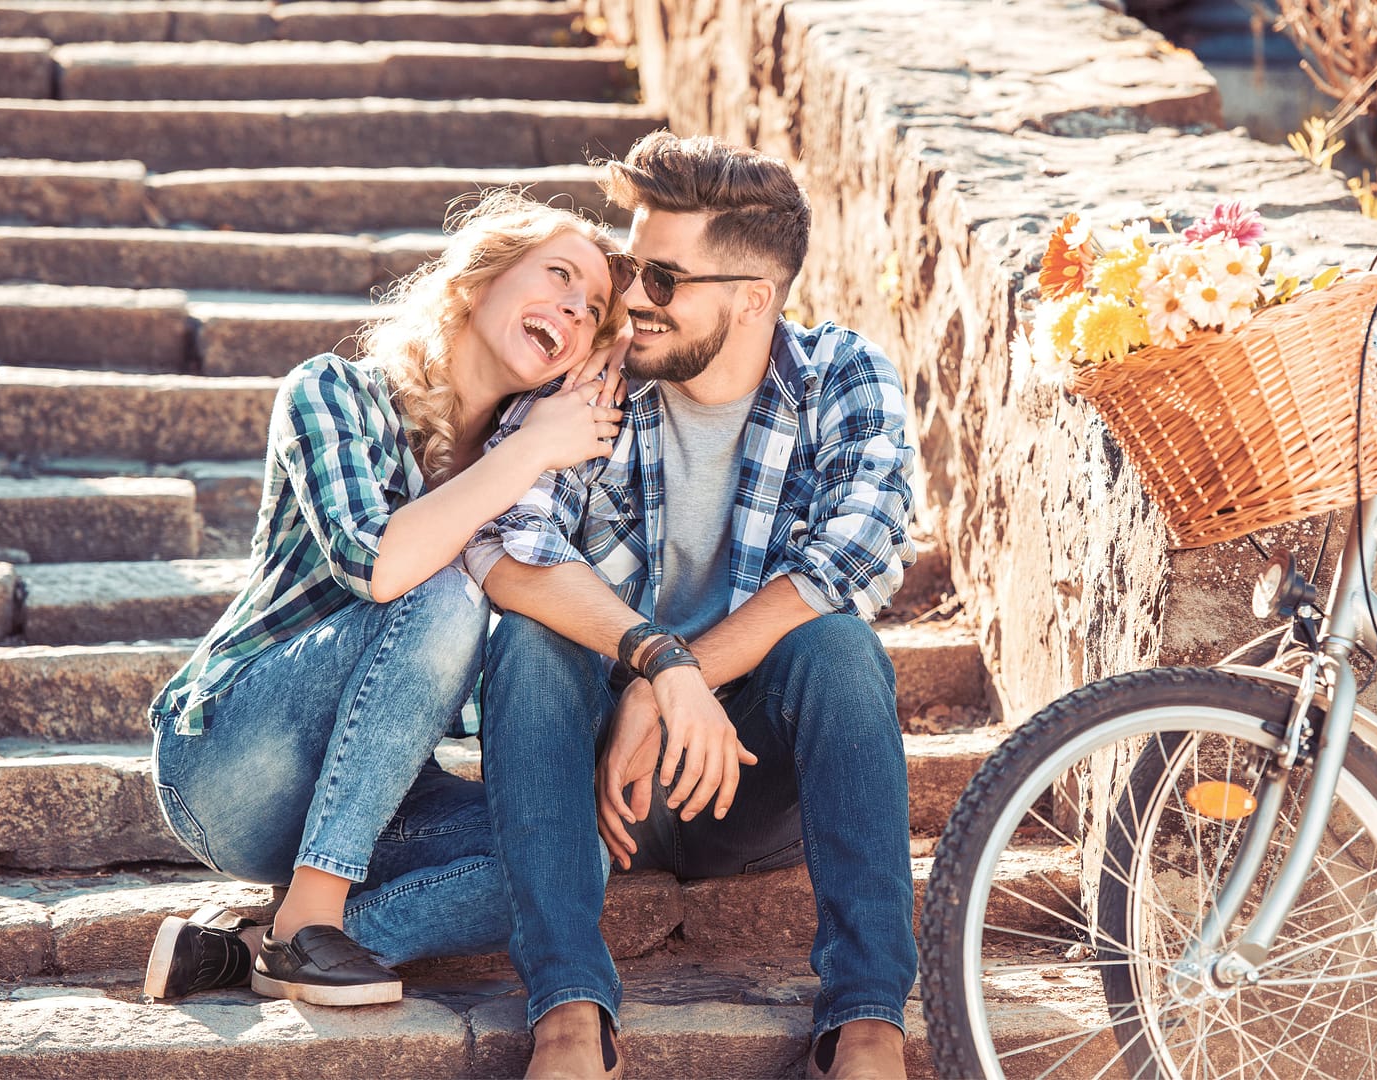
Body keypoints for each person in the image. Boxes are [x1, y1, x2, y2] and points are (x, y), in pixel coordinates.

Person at [467, 132, 918, 1079]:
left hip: (747, 783)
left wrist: (675, 682)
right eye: (633, 267)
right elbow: (506, 549)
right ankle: (569, 1012)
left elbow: (858, 556)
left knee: (837, 649)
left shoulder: (843, 378)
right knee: (528, 647)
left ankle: (870, 1018)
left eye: (663, 279)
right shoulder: (592, 379)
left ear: (754, 296)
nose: (630, 298)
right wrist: (655, 667)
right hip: (595, 780)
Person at [141, 190, 627, 1007]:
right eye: (560, 276)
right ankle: (311, 923)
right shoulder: (331, 392)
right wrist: (540, 445)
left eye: (595, 310)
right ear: (477, 284)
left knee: (571, 855)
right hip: (231, 762)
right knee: (445, 590)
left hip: (373, 798)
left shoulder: (530, 481)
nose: (577, 310)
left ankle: (259, 949)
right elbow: (379, 566)